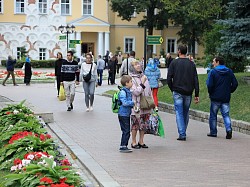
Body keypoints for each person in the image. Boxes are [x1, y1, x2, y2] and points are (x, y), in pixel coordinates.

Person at [167, 45, 199, 141]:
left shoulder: (174, 63)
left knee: (179, 112)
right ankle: (183, 130)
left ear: (179, 51)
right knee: (185, 112)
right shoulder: (191, 64)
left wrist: (172, 88)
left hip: (177, 91)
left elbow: (169, 78)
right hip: (188, 92)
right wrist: (196, 94)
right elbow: (195, 80)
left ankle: (182, 133)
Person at [206, 56, 238, 139]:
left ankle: (213, 132)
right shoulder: (229, 71)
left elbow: (209, 85)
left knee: (213, 115)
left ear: (218, 62)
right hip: (225, 97)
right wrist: (230, 90)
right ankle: (228, 129)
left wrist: (211, 92)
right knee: (226, 115)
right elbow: (235, 84)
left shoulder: (213, 72)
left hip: (215, 97)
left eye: (213, 62)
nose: (212, 63)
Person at [130, 59, 153, 149]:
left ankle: (141, 141)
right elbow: (136, 92)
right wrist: (142, 83)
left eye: (139, 64)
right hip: (136, 105)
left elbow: (149, 90)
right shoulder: (131, 78)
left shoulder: (144, 77)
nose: (138, 66)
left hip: (145, 105)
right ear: (132, 67)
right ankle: (133, 141)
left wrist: (151, 102)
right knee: (135, 124)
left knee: (143, 124)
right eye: (136, 65)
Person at [118, 75, 134, 153]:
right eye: (131, 82)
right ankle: (123, 146)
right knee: (126, 130)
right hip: (123, 114)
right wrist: (132, 103)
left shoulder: (128, 91)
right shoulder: (123, 92)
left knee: (126, 130)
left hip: (126, 113)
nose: (132, 83)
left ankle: (124, 145)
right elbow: (124, 103)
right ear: (126, 83)